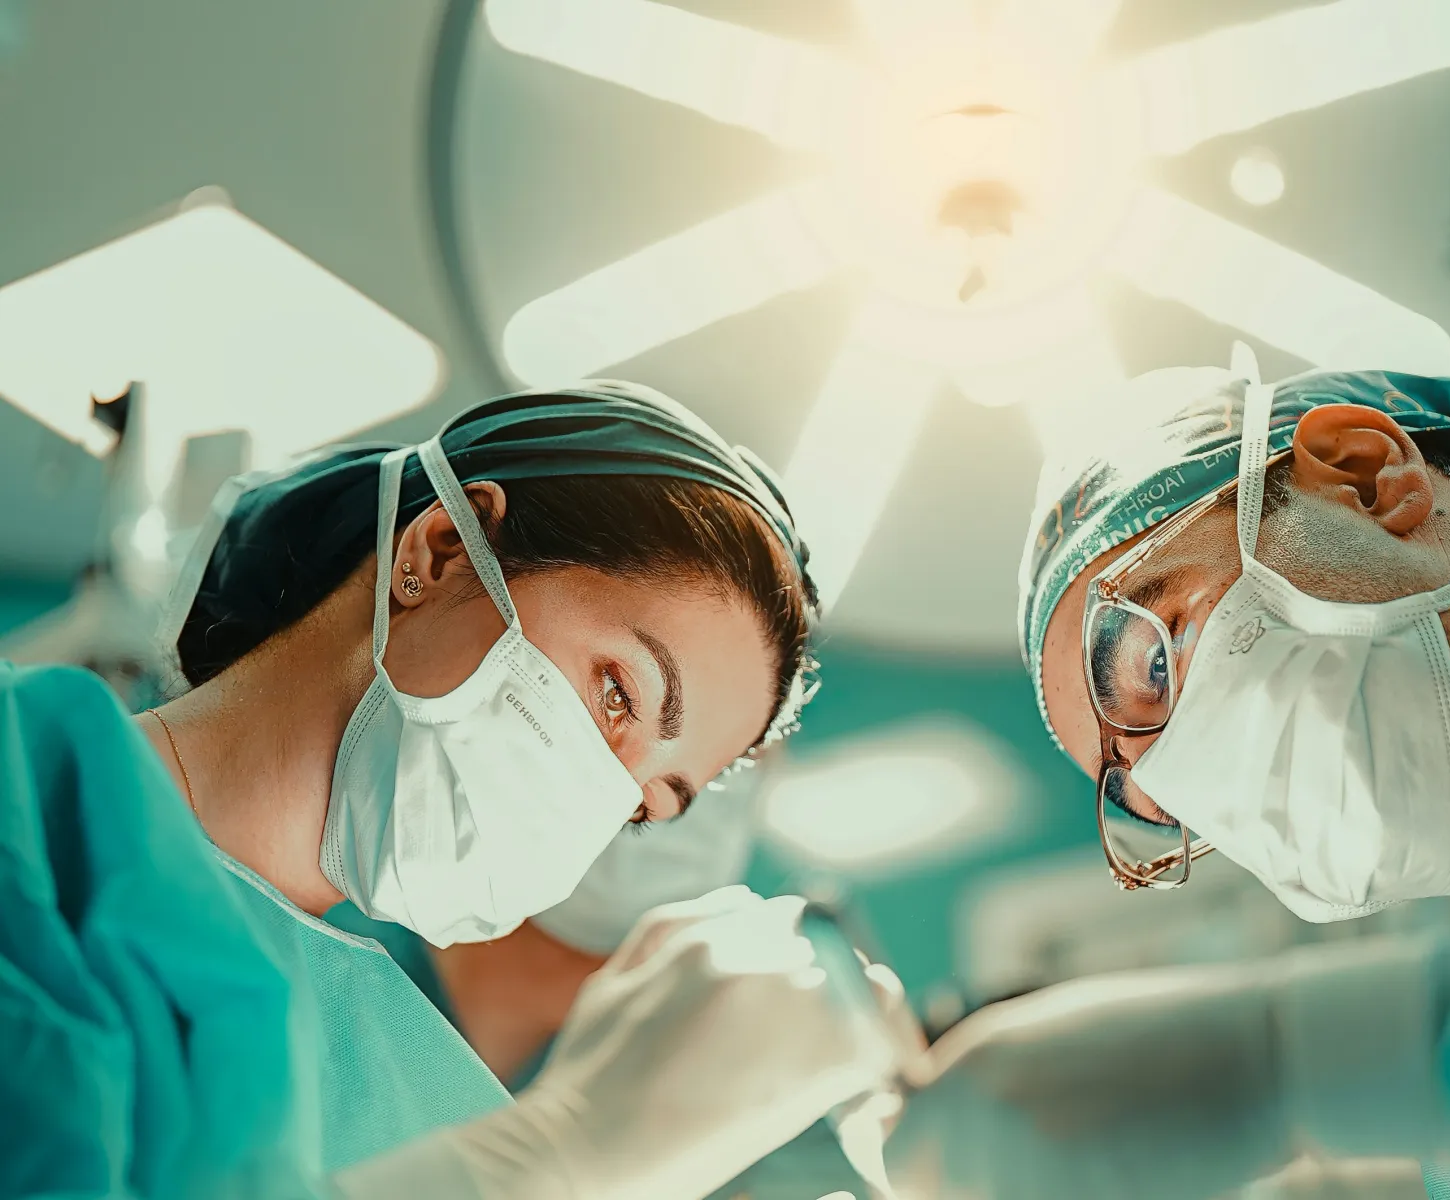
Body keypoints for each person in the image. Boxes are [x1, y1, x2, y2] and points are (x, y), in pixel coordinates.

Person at [0, 380, 904, 1199]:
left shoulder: (442, 1104)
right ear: (437, 553)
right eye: (617, 693)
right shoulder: (26, 789)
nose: (597, 800)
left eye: (641, 806)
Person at [1016, 359, 1450, 1197]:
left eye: (1152, 661)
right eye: (1161, 803)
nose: (1202, 782)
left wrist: (1294, 1067)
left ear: (1366, 476)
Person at [326, 775, 757, 1089]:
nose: (669, 802)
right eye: (616, 699)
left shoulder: (623, 1093)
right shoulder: (326, 940)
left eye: (736, 764)